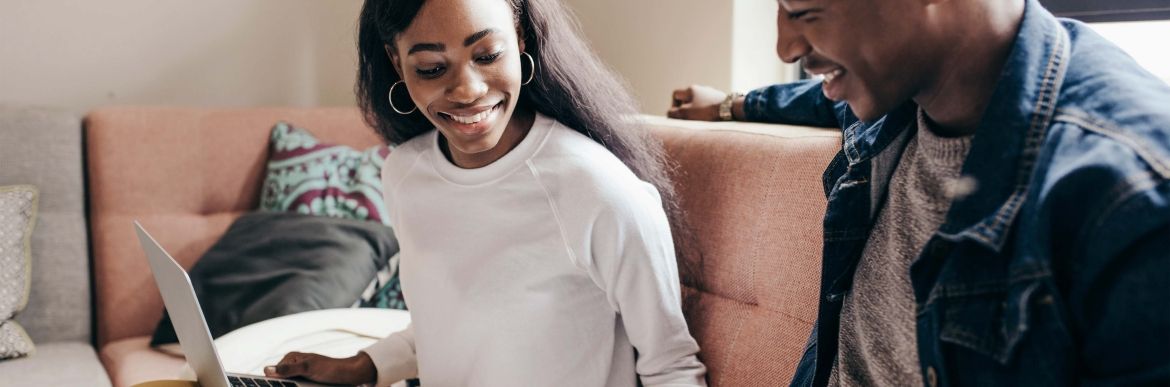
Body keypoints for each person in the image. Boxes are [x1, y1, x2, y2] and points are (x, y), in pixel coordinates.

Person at [670, 0, 1169, 385]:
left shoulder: (1128, 197)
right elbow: (824, 101)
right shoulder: (901, 97)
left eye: (804, 12)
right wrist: (732, 104)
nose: (786, 47)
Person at [262, 0, 708, 386]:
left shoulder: (600, 191)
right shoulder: (405, 173)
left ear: (521, 40)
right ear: (397, 63)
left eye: (488, 54)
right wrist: (364, 365)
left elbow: (671, 368)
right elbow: (448, 327)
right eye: (432, 68)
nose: (467, 90)